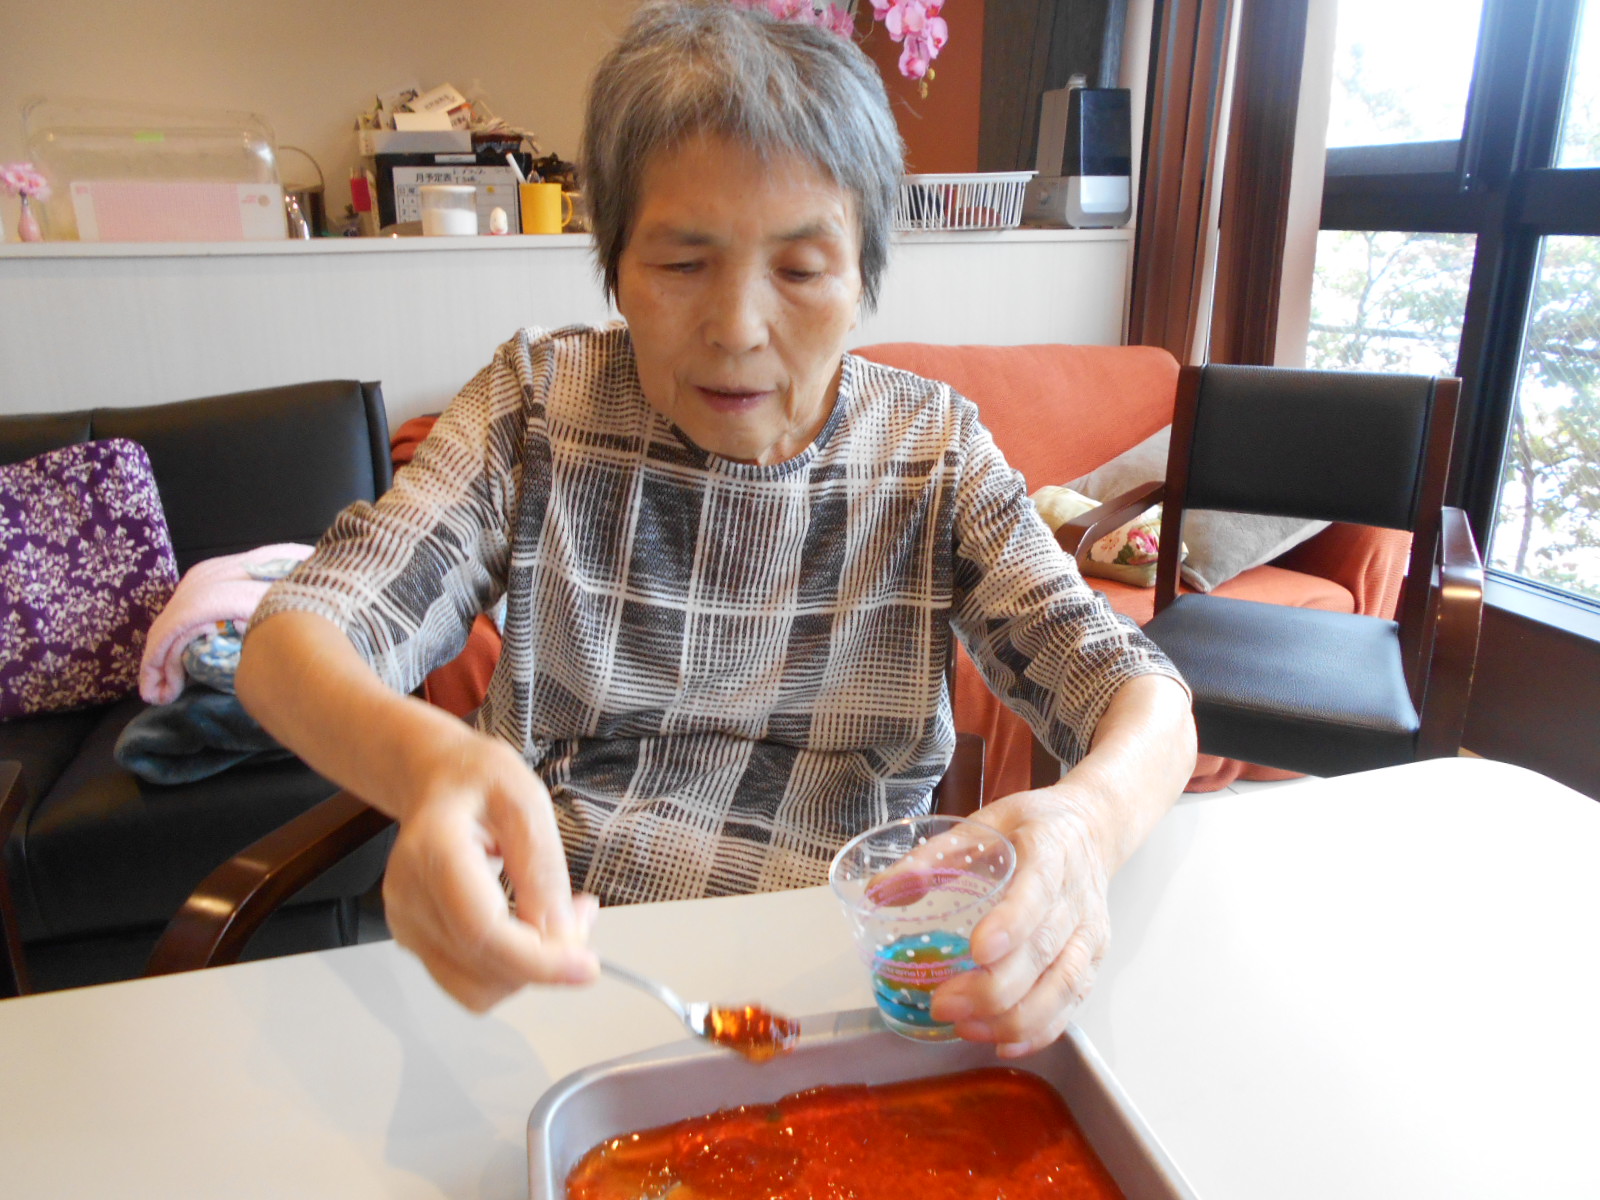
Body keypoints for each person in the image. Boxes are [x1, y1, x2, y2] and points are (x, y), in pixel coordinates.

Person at [238, 0, 1196, 1058]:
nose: (738, 328)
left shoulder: (932, 453)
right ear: (614, 266)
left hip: (835, 979)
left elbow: (1141, 694)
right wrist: (424, 770)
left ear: (864, 277)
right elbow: (292, 640)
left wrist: (1086, 824)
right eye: (682, 263)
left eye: (800, 270)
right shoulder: (537, 407)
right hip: (555, 968)